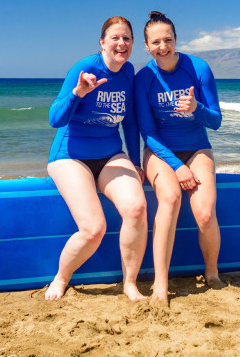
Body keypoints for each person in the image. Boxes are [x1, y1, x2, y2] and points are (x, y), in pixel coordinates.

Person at [44, 16, 148, 301]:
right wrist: (78, 93)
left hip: (110, 154)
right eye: (115, 37)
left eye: (126, 38)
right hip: (70, 156)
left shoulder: (128, 74)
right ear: (102, 42)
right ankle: (61, 278)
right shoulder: (85, 68)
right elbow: (55, 118)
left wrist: (135, 161)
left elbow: (129, 123)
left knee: (137, 208)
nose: (121, 43)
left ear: (133, 44)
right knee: (93, 228)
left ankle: (129, 283)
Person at [134, 11, 224, 304]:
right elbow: (147, 133)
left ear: (176, 40)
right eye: (156, 42)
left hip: (197, 148)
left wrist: (196, 108)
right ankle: (160, 284)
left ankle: (212, 273)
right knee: (170, 200)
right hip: (159, 151)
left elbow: (216, 122)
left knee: (205, 214)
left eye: (167, 40)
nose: (163, 46)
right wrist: (177, 167)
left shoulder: (198, 68)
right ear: (146, 46)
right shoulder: (144, 78)